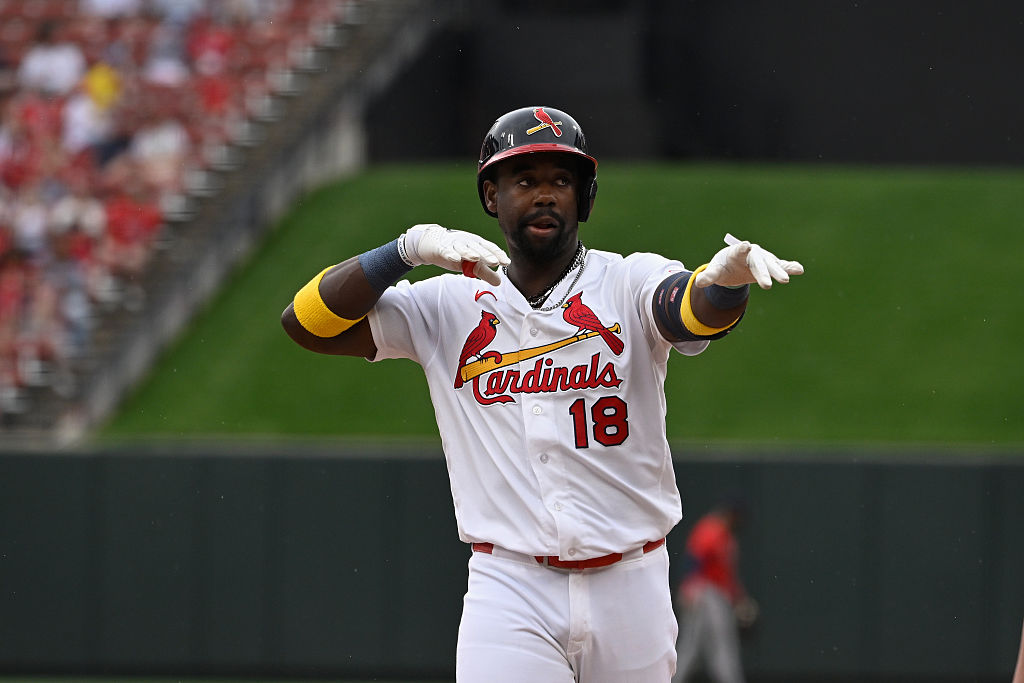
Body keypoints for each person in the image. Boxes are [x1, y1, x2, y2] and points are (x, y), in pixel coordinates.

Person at [280, 106, 804, 682]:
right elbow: (306, 324)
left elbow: (687, 312)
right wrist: (403, 251)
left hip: (631, 583)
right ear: (490, 196)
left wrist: (723, 284)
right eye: (524, 180)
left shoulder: (628, 281)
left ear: (585, 198)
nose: (546, 195)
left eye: (562, 181)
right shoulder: (445, 305)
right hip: (510, 587)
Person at [672, 501, 759, 683]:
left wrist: (739, 599)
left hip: (717, 595)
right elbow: (693, 560)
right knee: (702, 645)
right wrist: (690, 587)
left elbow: (726, 574)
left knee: (700, 646)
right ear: (731, 514)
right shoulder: (710, 529)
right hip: (704, 593)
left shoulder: (726, 536)